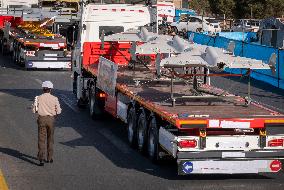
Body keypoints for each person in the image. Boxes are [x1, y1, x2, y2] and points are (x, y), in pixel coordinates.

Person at [32, 81, 62, 166]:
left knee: (41, 139)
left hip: (41, 119)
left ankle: (41, 159)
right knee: (50, 139)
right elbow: (59, 111)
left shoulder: (38, 98)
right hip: (51, 120)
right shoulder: (54, 98)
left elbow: (34, 110)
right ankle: (49, 158)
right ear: (50, 89)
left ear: (43, 89)